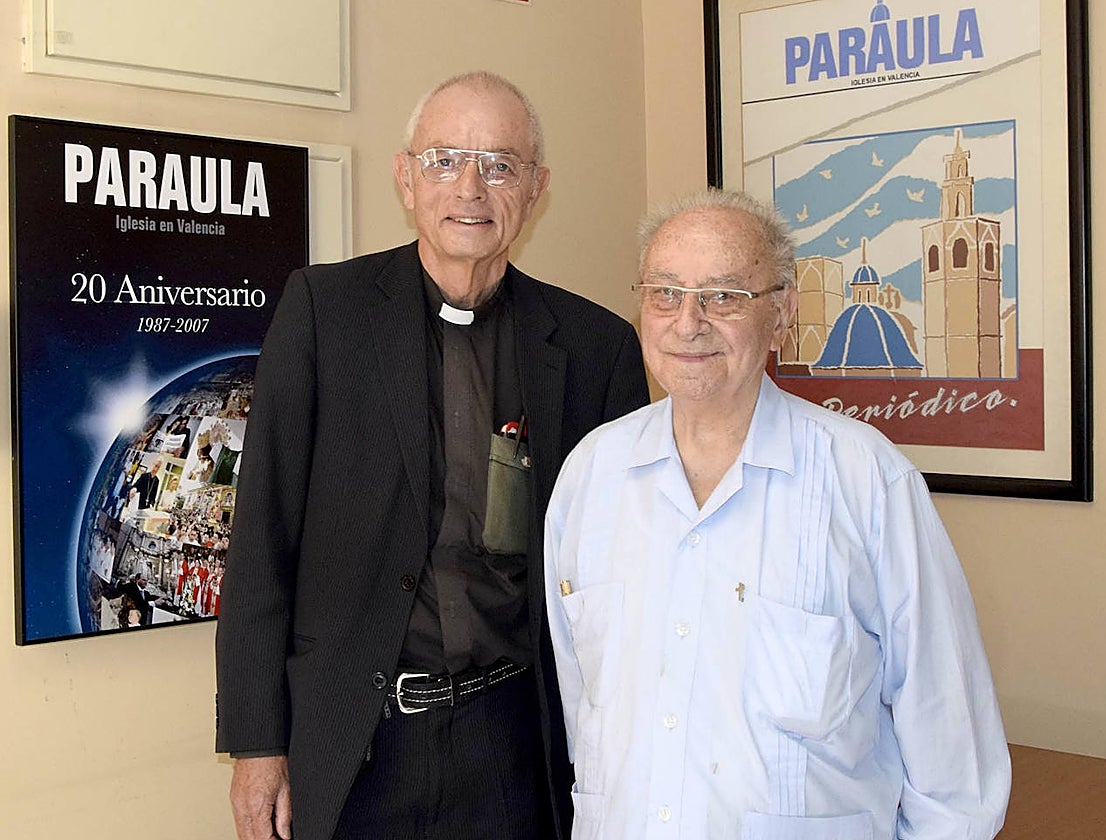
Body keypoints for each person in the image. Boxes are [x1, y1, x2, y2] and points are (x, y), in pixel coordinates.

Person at [215, 70, 649, 840]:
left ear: (536, 187)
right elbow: (261, 539)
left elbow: (627, 571)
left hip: (516, 743)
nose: (471, 187)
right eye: (445, 159)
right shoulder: (324, 313)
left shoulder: (596, 348)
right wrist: (257, 744)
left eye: (500, 164)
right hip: (357, 742)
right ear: (405, 177)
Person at [544, 190, 1011, 840]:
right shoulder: (590, 476)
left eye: (725, 295)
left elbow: (954, 761)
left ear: (783, 312)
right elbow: (581, 714)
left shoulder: (866, 481)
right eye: (665, 293)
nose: (689, 322)